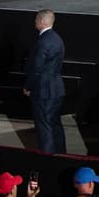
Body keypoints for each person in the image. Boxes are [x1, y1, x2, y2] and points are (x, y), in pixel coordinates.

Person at [25, 9, 67, 154]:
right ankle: (61, 154)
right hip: (56, 89)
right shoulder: (57, 38)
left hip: (43, 91)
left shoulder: (43, 42)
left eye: (36, 19)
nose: (35, 22)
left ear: (42, 22)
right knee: (55, 123)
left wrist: (28, 86)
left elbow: (36, 68)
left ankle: (47, 157)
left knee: (44, 126)